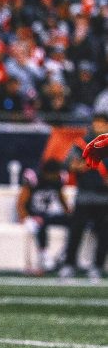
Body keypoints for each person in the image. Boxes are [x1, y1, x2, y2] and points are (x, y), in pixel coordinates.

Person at [60, 114, 108, 282]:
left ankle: (96, 266)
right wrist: (82, 165)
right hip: (85, 194)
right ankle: (69, 264)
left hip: (104, 197)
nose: (99, 127)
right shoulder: (82, 144)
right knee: (76, 231)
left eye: (103, 124)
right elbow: (69, 164)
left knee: (104, 234)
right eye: (97, 124)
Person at [17, 160, 70, 273]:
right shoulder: (34, 179)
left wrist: (68, 212)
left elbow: (61, 197)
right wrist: (24, 217)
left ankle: (66, 254)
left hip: (49, 215)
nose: (55, 176)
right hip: (34, 215)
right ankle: (44, 255)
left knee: (74, 222)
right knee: (40, 223)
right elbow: (21, 201)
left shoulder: (58, 180)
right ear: (47, 173)